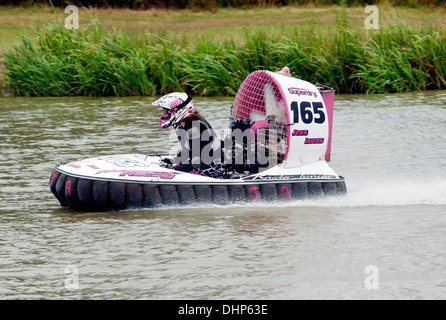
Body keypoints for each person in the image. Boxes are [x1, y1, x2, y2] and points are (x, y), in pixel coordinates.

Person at [152, 92, 222, 174]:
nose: (165, 115)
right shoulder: (186, 125)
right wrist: (173, 161)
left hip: (211, 168)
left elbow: (196, 160)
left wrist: (174, 170)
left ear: (177, 111)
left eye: (166, 112)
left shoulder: (194, 127)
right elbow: (188, 152)